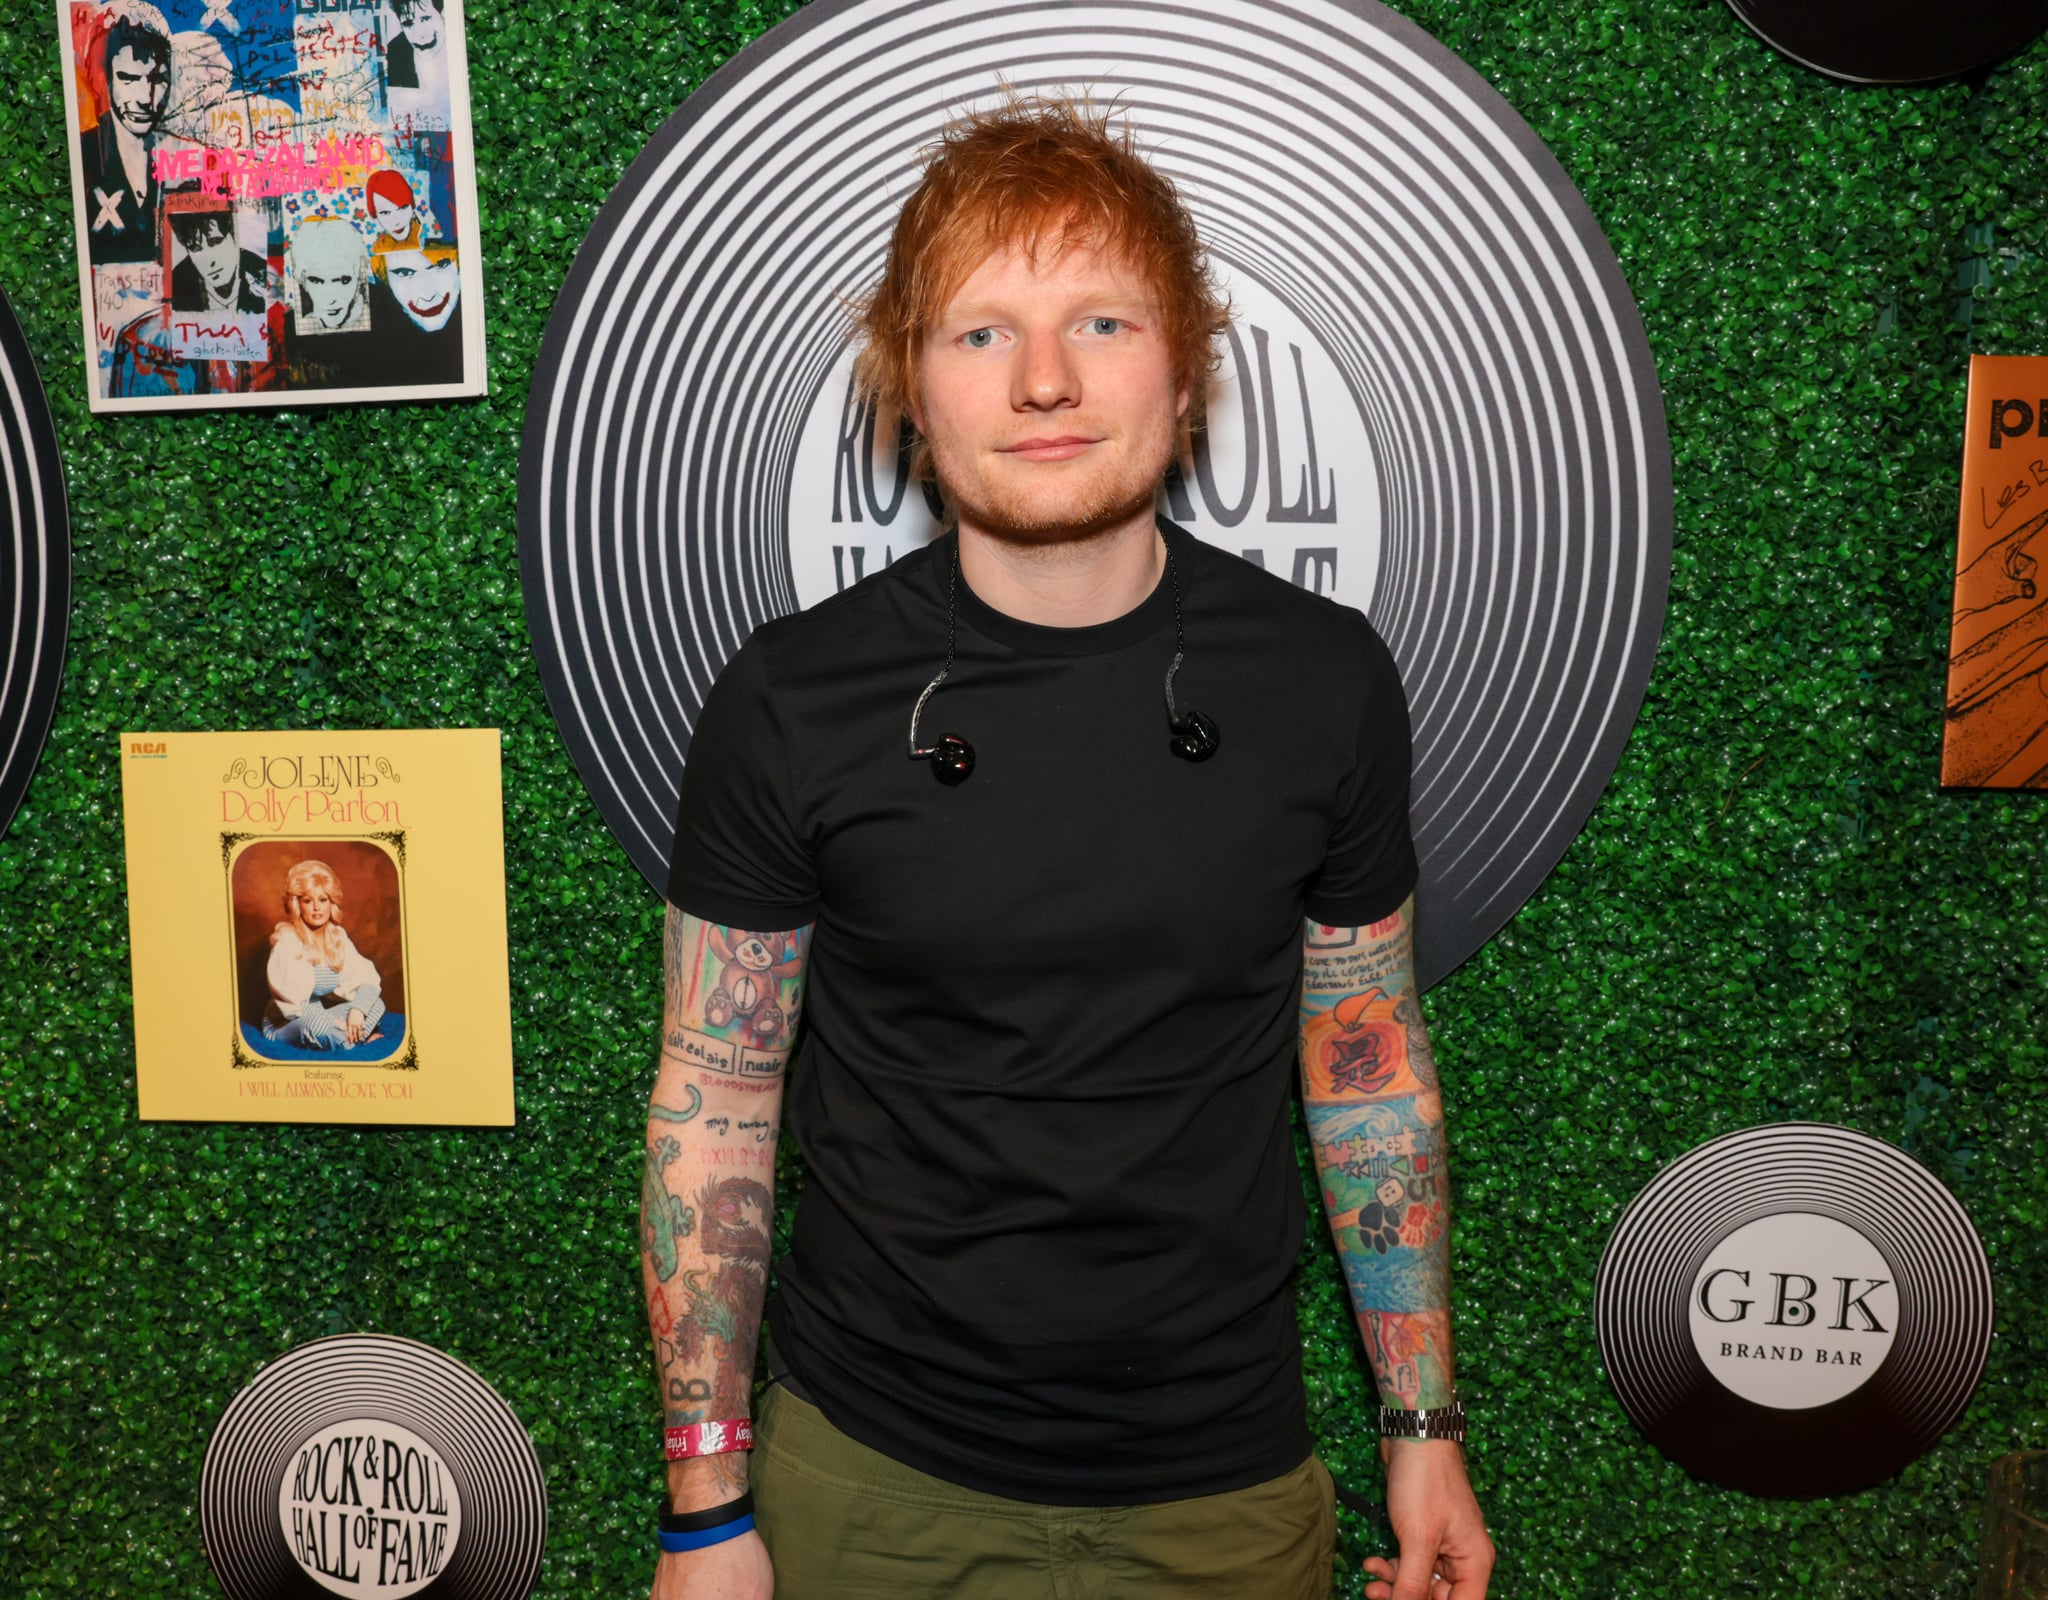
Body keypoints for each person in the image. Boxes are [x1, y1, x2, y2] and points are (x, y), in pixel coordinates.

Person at [645, 96, 1494, 1600]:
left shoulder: (1323, 679)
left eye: (1099, 320)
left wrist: (1421, 1426)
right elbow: (715, 1101)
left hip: (1226, 1491)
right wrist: (708, 1513)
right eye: (980, 333)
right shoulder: (791, 701)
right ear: (908, 385)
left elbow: (1369, 1063)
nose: (1043, 381)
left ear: (1188, 368)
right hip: (871, 1486)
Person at [261, 859, 386, 1051]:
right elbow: (294, 1007)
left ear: (331, 902)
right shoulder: (287, 942)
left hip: (322, 1014)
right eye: (308, 901)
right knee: (317, 1024)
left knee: (375, 1004)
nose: (317, 908)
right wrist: (337, 1024)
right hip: (287, 1021)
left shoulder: (337, 937)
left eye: (323, 899)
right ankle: (358, 1041)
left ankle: (343, 1040)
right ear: (297, 905)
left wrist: (357, 1011)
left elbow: (367, 977)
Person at [80, 3, 171, 265]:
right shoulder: (85, 153)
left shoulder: (184, 156)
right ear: (107, 81)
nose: (145, 98)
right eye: (129, 79)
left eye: (157, 80)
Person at [168, 210, 269, 315]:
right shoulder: (176, 285)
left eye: (216, 241)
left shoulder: (262, 273)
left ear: (234, 237)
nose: (210, 261)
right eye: (195, 248)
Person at [365, 168, 424, 255]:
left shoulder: (426, 236)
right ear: (375, 213)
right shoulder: (379, 247)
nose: (396, 220)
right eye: (385, 213)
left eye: (403, 208)